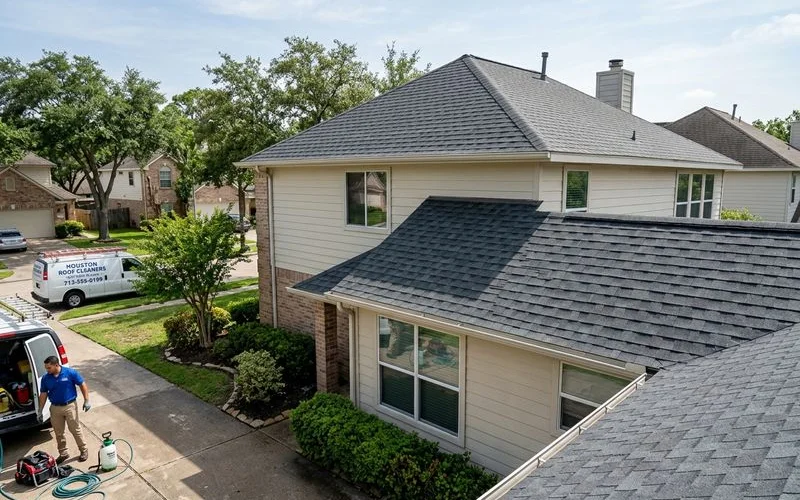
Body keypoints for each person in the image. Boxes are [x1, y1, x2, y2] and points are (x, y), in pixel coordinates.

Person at [38, 356, 91, 464]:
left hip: (70, 406)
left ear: (56, 365)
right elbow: (43, 394)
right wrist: (40, 410)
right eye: (46, 368)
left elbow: (82, 384)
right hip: (55, 408)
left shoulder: (70, 373)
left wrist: (86, 400)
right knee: (58, 432)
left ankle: (84, 450)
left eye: (49, 368)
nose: (47, 370)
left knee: (75, 429)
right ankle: (63, 453)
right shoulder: (46, 378)